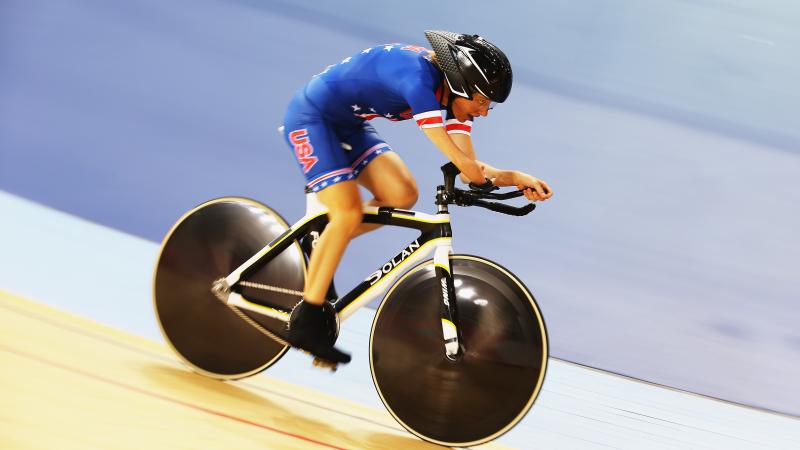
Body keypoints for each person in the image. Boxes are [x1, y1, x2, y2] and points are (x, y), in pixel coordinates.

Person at [282, 30, 553, 365]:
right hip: (311, 118)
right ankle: (307, 321)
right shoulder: (418, 81)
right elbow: (461, 161)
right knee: (348, 212)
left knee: (402, 193)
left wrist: (513, 177)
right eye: (483, 101)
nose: (484, 112)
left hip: (348, 125)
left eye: (489, 105)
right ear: (462, 83)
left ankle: (325, 241)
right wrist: (499, 176)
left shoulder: (453, 96)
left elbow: (469, 169)